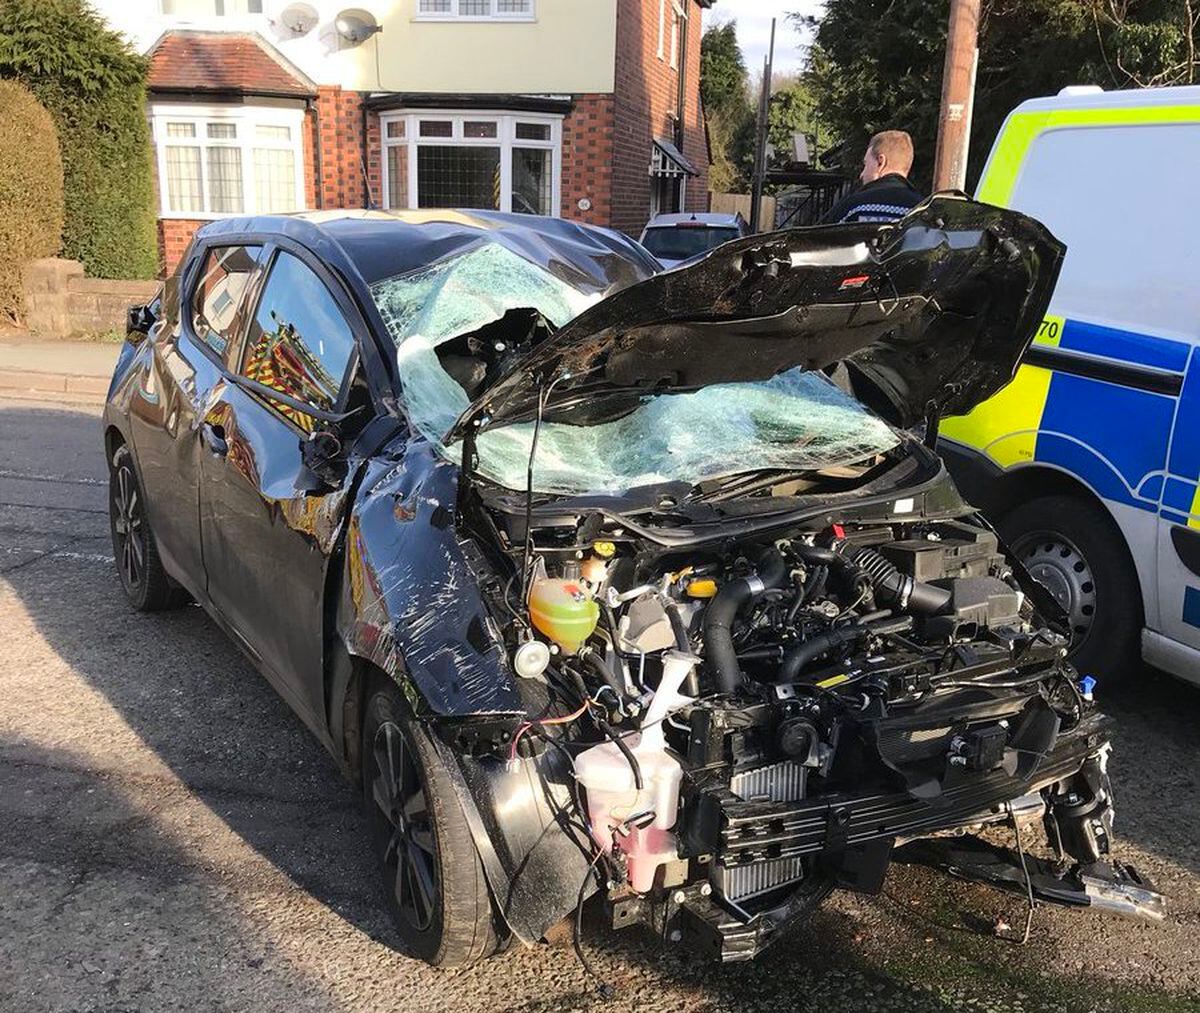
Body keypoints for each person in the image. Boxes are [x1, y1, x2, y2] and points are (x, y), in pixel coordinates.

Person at [822, 130, 924, 224]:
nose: (862, 174)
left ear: (881, 162)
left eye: (866, 164)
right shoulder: (923, 212)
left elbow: (825, 240)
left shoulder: (853, 208)